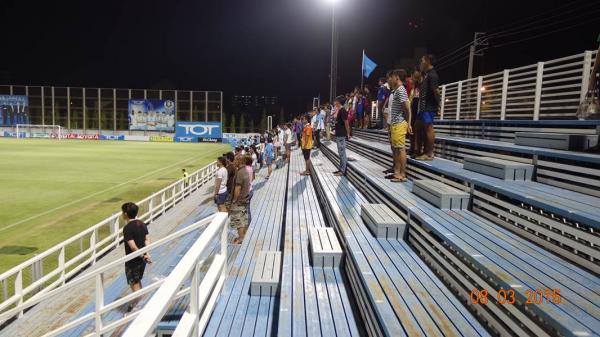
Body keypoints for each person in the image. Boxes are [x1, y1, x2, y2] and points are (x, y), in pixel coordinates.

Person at [121, 202, 152, 312]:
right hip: (142, 260)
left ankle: (137, 307)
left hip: (133, 261)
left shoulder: (127, 228)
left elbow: (133, 247)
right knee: (137, 281)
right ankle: (138, 303)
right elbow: (147, 240)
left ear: (125, 214)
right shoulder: (142, 224)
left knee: (134, 283)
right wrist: (146, 254)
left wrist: (143, 255)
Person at [386, 69, 413, 182]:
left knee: (400, 149)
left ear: (396, 77)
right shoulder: (397, 90)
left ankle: (402, 174)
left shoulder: (401, 90)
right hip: (395, 124)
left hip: (399, 123)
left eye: (390, 77)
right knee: (396, 149)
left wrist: (409, 123)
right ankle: (397, 172)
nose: (389, 80)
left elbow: (407, 108)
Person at [416, 54, 440, 161]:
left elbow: (436, 91)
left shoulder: (432, 75)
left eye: (422, 60)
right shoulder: (426, 74)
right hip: (424, 106)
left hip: (429, 106)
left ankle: (430, 153)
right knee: (421, 127)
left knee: (429, 128)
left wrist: (438, 105)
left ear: (427, 61)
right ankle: (424, 151)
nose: (420, 63)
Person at [230, 156, 250, 244]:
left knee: (239, 220)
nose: (234, 162)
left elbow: (237, 188)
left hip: (239, 200)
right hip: (245, 199)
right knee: (243, 219)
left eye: (235, 160)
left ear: (239, 161)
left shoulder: (240, 172)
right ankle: (243, 236)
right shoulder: (245, 170)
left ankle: (240, 239)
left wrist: (234, 200)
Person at [333, 96, 351, 176]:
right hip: (339, 134)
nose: (334, 102)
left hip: (341, 134)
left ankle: (343, 171)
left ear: (338, 102)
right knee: (340, 153)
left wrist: (348, 133)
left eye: (335, 101)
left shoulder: (343, 110)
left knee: (342, 153)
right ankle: (340, 169)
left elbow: (346, 123)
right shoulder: (340, 110)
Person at [410, 69, 423, 157]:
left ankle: (417, 150)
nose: (412, 78)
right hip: (413, 108)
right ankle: (412, 148)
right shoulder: (415, 87)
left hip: (420, 109)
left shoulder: (423, 84)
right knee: (412, 130)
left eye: (413, 75)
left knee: (418, 130)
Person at [244, 155, 254, 223]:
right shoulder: (250, 168)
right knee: (248, 208)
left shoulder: (246, 169)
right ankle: (249, 221)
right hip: (250, 190)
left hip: (246, 191)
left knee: (246, 209)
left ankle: (248, 223)